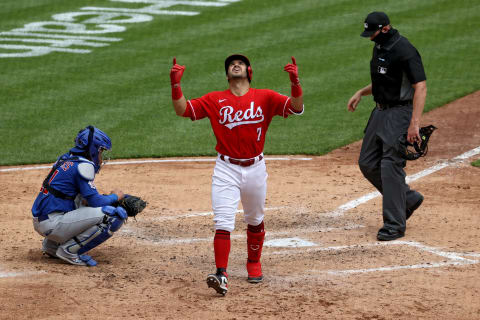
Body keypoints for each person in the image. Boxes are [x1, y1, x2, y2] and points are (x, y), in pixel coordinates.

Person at [170, 54, 304, 295]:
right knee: (222, 221)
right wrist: (175, 85)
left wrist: (295, 82)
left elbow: (295, 108)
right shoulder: (214, 99)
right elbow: (183, 110)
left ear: (249, 71)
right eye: (232, 64)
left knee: (255, 219)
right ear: (227, 74)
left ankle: (253, 263)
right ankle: (221, 274)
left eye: (240, 63)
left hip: (255, 168)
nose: (235, 65)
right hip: (226, 168)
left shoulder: (265, 97)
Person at [347, 12, 427, 241]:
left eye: (372, 33)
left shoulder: (405, 50)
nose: (370, 38)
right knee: (367, 162)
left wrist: (414, 123)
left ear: (385, 28)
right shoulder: (380, 46)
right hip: (380, 111)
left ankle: (394, 224)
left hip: (400, 113)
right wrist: (361, 92)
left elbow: (420, 86)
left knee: (390, 165)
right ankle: (408, 199)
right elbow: (384, 79)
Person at [32, 125, 127, 266]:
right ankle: (69, 251)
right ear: (94, 149)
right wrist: (115, 197)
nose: (101, 157)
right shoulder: (84, 166)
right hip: (53, 223)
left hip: (43, 220)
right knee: (113, 215)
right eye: (101, 151)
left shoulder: (66, 159)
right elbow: (95, 202)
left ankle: (52, 246)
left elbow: (86, 199)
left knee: (81, 200)